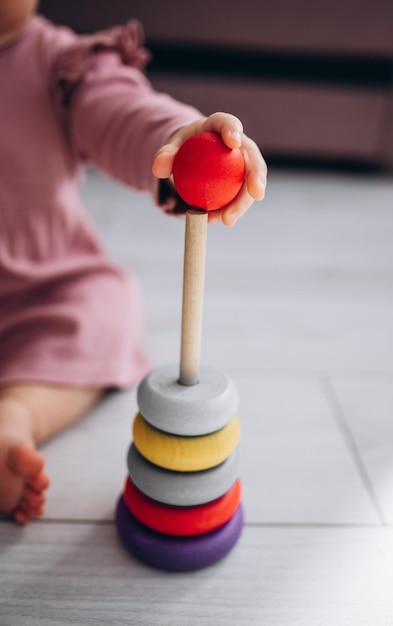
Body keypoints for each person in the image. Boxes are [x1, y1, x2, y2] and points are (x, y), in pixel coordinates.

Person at [0, 0, 267, 525]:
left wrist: (181, 140)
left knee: (108, 303)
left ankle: (18, 413)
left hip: (47, 283)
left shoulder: (63, 65)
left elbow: (124, 113)